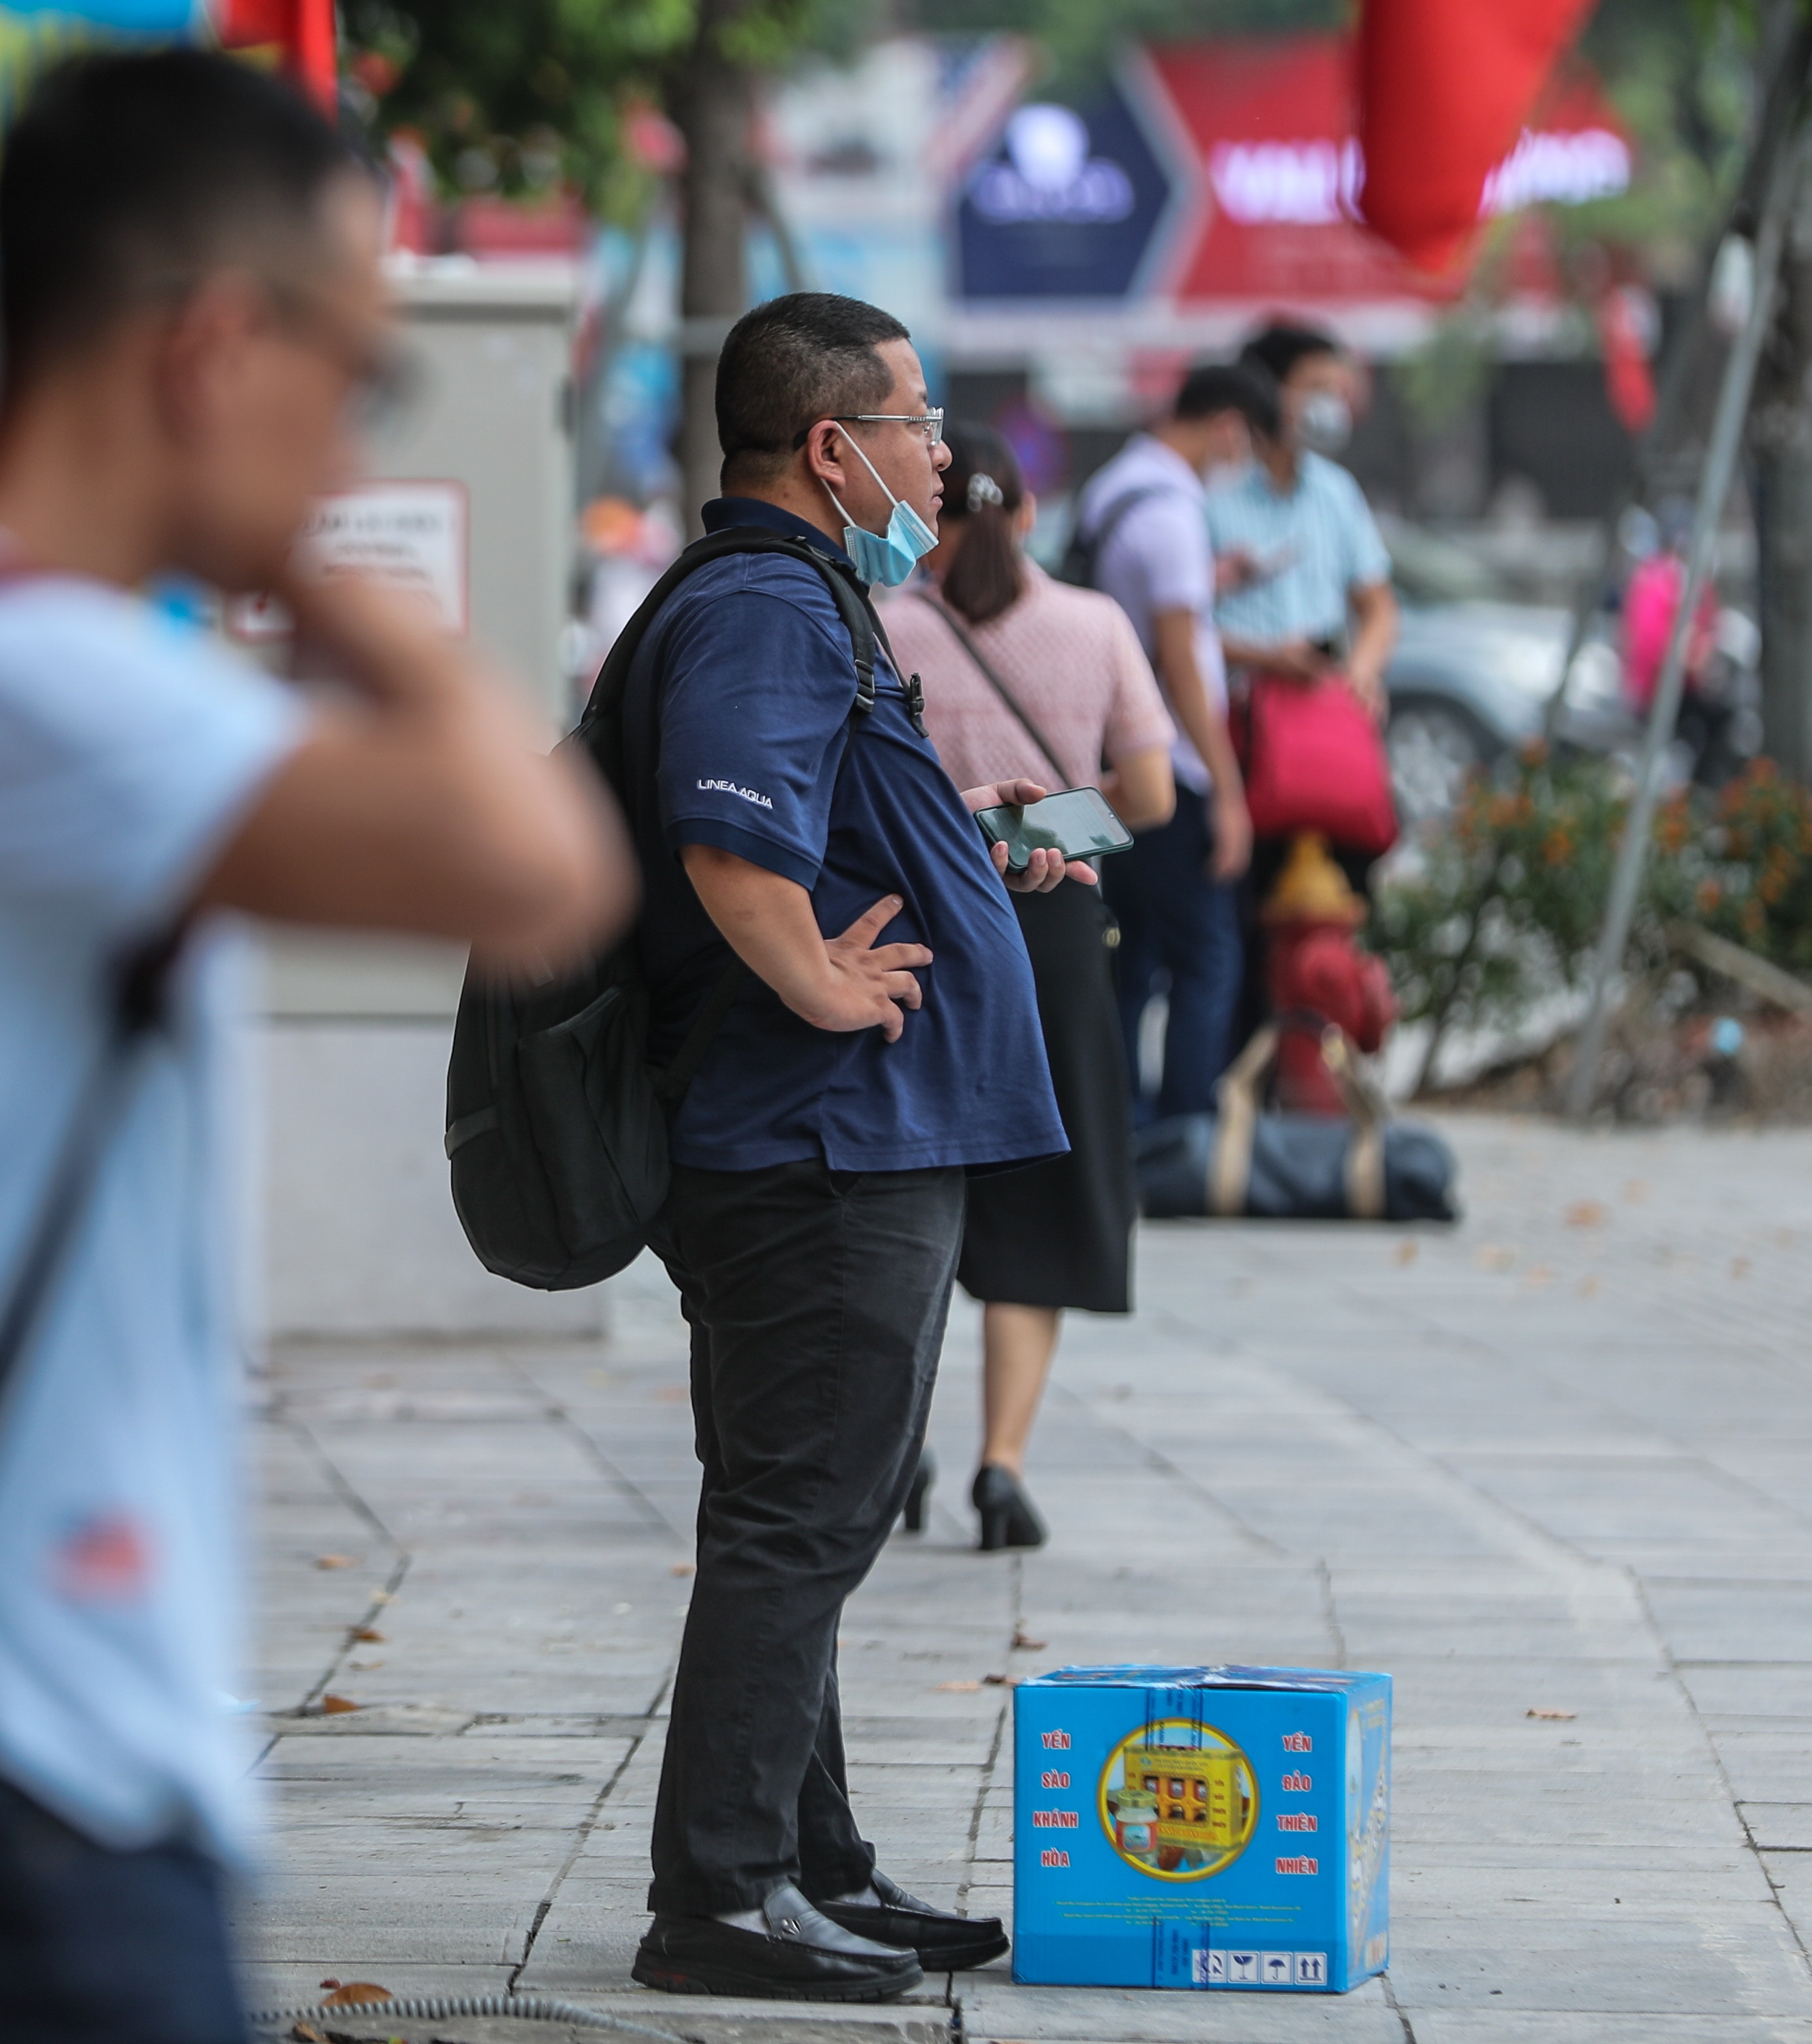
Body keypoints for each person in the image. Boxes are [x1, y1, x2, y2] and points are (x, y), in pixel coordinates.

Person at [0, 50, 632, 2043]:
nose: (352, 437)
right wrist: (305, 560)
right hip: (14, 1794)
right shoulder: (25, 687)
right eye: (356, 378)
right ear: (217, 345)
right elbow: (538, 861)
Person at [625, 291, 1076, 2003]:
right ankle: (720, 1895)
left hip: (836, 1144)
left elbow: (805, 818)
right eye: (918, 420)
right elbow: (728, 842)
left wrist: (962, 839)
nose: (939, 454)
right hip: (817, 1151)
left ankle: (808, 1867)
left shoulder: (800, 595)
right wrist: (817, 983)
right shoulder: (760, 602)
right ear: (831, 445)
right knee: (801, 1516)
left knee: (797, 1509)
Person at [877, 422, 1176, 1552]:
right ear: (1032, 515)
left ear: (931, 512)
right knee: (1041, 1196)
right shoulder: (1094, 626)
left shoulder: (885, 621)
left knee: (913, 1186)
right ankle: (1001, 1463)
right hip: (1050, 933)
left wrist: (968, 832)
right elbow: (1146, 794)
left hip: (919, 926)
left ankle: (896, 1444)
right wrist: (1039, 825)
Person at [1076, 363, 1275, 1120]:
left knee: (1134, 955)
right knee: (1208, 957)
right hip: (1175, 768)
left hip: (1120, 758)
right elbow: (1185, 663)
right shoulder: (1172, 514)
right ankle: (1188, 1132)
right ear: (1226, 424)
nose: (1240, 459)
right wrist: (1227, 790)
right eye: (1245, 442)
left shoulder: (1116, 486)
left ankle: (1124, 1128)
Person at [1210, 321, 1399, 1058]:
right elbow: (1180, 628)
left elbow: (1378, 605)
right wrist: (1263, 656)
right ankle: (1248, 1093)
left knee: (1347, 911)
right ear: (1268, 394)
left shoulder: (1336, 494)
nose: (1333, 401)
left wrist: (1364, 670)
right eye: (1315, 386)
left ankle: (1335, 1078)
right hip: (1246, 739)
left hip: (1326, 735)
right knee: (1246, 923)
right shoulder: (1215, 498)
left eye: (1337, 386)